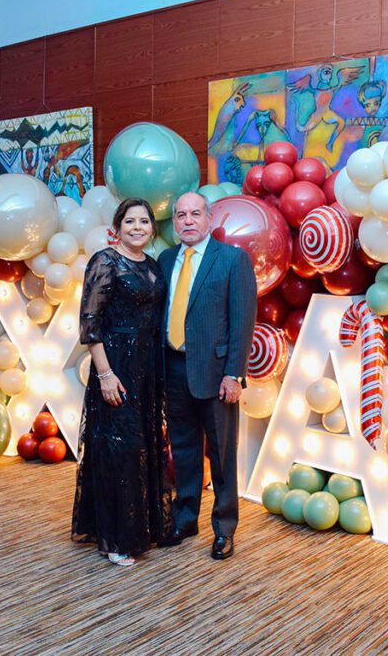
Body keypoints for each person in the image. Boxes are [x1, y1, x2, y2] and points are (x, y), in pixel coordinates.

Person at [71, 198, 174, 567]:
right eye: (130, 221)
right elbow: (90, 324)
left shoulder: (153, 265)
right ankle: (115, 538)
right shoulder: (105, 261)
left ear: (152, 228)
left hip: (148, 367)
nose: (137, 227)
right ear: (117, 227)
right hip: (116, 366)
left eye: (144, 221)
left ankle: (144, 527)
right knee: (120, 449)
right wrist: (105, 374)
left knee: (145, 445)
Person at [158, 192, 257, 560]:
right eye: (181, 215)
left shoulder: (232, 260)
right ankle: (185, 520)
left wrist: (234, 374)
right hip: (173, 368)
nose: (188, 221)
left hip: (217, 375)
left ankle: (224, 529)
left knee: (222, 455)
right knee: (183, 451)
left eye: (195, 214)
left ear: (209, 217)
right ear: (174, 221)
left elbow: (242, 321)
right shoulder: (165, 260)